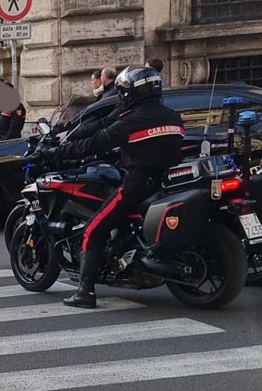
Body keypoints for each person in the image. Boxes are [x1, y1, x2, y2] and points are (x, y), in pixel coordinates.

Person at [42, 65, 185, 309]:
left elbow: (96, 142)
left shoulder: (132, 121)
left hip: (137, 184)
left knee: (93, 229)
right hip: (166, 182)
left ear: (131, 92)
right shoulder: (171, 115)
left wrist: (57, 152)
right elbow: (100, 125)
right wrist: (68, 133)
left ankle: (85, 292)